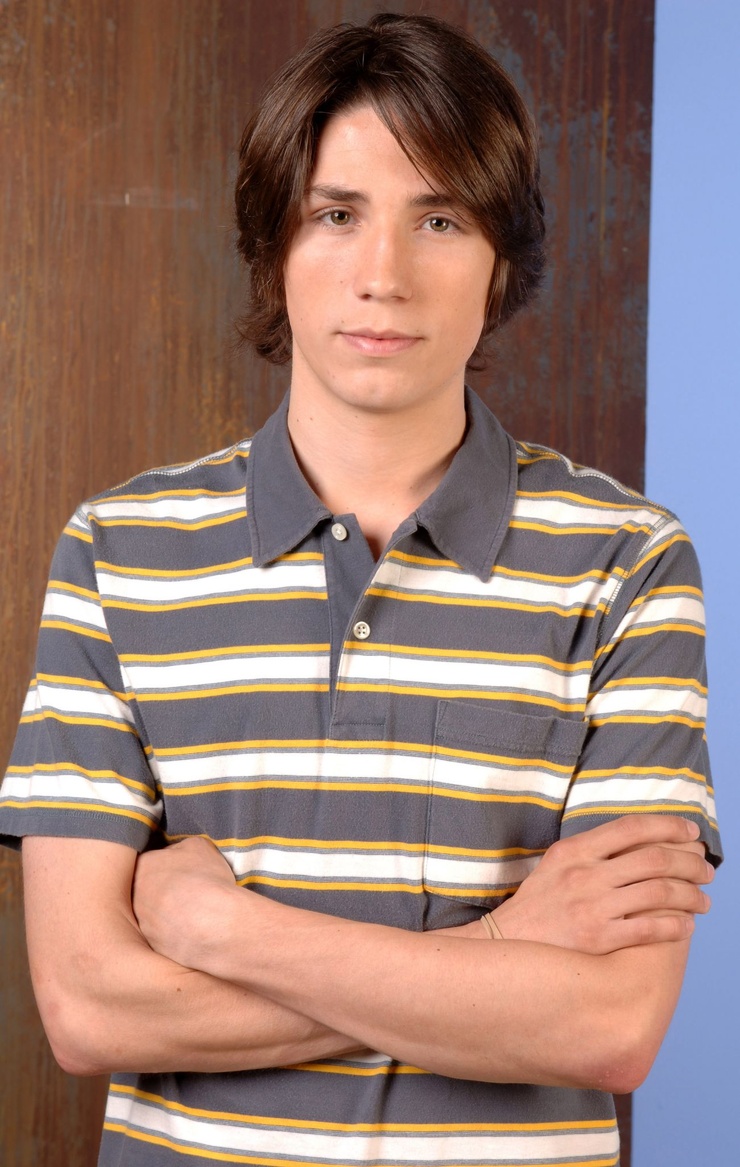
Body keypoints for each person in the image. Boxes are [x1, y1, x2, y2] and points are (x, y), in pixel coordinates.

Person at [0, 12, 721, 1167]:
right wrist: (502, 949)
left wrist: (218, 929)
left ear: (499, 260)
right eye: (335, 214)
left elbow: (606, 1027)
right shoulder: (117, 551)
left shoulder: (627, 562)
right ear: (272, 245)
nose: (382, 276)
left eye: (438, 219)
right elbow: (87, 1010)